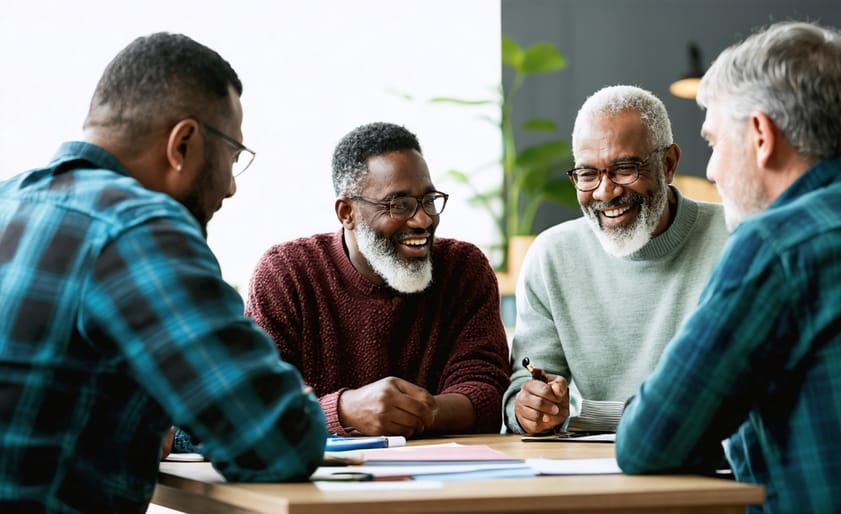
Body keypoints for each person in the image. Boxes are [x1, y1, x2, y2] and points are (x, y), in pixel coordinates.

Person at [0, 33, 328, 513]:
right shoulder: (139, 228)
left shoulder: (9, 202)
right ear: (184, 144)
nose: (232, 187)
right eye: (233, 156)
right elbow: (277, 443)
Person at [616, 21, 841, 514]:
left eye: (714, 141)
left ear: (761, 136)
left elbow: (648, 442)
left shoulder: (775, 246)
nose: (710, 170)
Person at [243, 121, 511, 437]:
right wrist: (344, 411)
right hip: (317, 481)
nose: (423, 219)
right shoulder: (287, 274)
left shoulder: (463, 269)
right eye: (399, 205)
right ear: (347, 213)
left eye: (428, 200)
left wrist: (413, 413)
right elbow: (255, 402)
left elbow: (488, 392)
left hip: (441, 478)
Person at [503, 85, 730, 435]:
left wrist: (588, 415)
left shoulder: (735, 238)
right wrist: (530, 409)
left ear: (668, 164)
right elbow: (523, 387)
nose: (605, 192)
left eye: (624, 169)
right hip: (590, 472)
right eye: (588, 173)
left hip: (710, 465)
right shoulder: (551, 256)